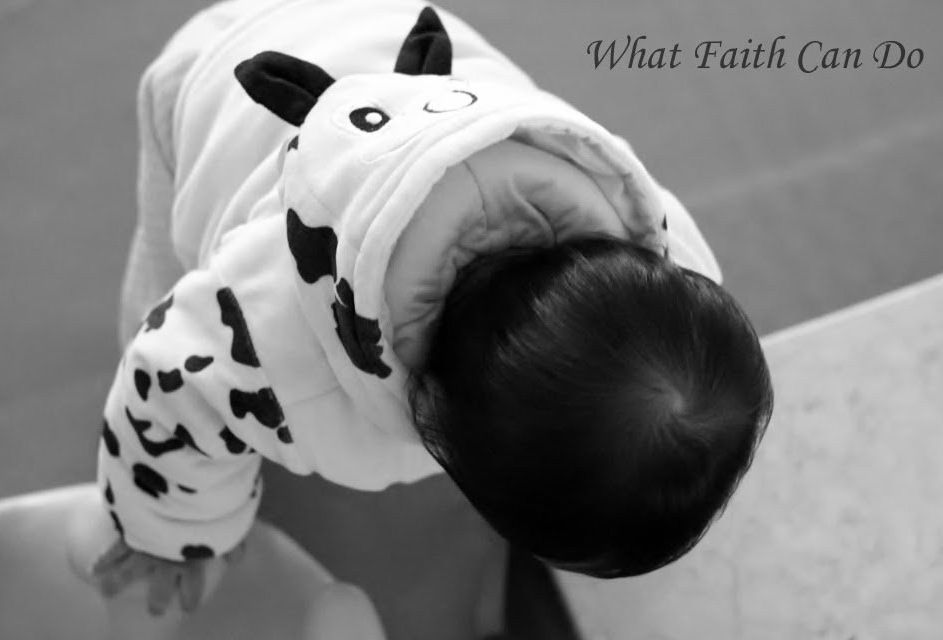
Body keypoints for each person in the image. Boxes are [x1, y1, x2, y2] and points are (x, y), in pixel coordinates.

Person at [90, 0, 774, 631]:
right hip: (215, 75)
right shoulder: (267, 335)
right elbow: (168, 386)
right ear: (438, 414)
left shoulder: (640, 224)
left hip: (394, 30)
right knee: (163, 287)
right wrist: (170, 532)